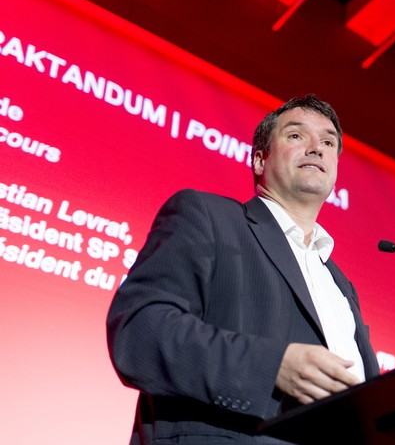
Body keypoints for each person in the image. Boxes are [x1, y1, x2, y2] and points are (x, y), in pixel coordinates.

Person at [107, 94, 379, 444]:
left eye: (328, 142)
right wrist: (270, 367)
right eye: (297, 135)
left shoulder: (342, 285)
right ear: (259, 158)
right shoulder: (208, 216)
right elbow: (139, 332)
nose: (317, 148)